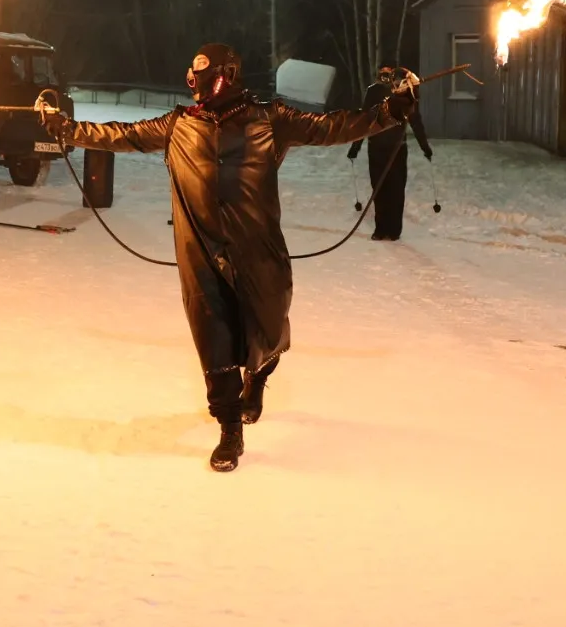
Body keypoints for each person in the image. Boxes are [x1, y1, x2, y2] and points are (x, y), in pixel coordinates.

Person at [39, 43, 414, 472]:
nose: (193, 80)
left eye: (202, 71)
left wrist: (388, 112)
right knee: (213, 336)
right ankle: (230, 430)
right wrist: (66, 128)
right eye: (191, 72)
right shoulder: (178, 125)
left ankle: (258, 377)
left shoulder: (268, 118)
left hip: (258, 250)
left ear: (227, 74)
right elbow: (119, 133)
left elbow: (332, 127)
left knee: (267, 329)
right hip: (200, 249)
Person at [347, 64, 435, 242]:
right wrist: (355, 146)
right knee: (379, 188)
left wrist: (424, 146)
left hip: (397, 148)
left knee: (396, 189)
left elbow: (414, 119)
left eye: (388, 73)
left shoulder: (401, 92)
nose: (385, 77)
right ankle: (380, 229)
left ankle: (394, 230)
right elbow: (364, 120)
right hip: (376, 147)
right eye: (382, 74)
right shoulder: (372, 93)